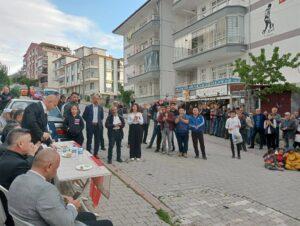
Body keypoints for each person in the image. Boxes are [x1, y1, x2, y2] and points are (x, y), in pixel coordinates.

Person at [7, 149, 113, 226]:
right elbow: (65, 223)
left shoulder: (19, 179)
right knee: (108, 223)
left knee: (90, 216)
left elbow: (37, 199)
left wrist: (59, 198)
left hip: (29, 220)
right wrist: (72, 205)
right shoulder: (46, 189)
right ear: (49, 167)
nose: (55, 173)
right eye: (56, 169)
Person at [0, 128, 40, 226]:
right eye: (30, 141)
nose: (32, 144)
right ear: (20, 144)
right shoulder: (19, 164)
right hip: (15, 213)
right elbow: (32, 184)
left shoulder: (4, 156)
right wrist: (31, 155)